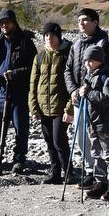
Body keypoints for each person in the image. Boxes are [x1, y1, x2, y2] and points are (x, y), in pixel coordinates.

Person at [66, 9, 109, 188]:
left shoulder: (104, 44)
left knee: (101, 140)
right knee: (82, 137)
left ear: (95, 22)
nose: (81, 23)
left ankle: (105, 179)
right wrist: (73, 89)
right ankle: (91, 171)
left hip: (97, 102)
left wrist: (91, 90)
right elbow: (68, 70)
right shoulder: (76, 45)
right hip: (79, 98)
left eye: (86, 20)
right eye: (79, 20)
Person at [0, 9, 37, 175]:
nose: (4, 26)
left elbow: (34, 68)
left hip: (19, 92)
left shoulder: (25, 41)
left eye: (7, 22)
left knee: (21, 130)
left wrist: (15, 73)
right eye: (1, 23)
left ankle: (19, 160)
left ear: (14, 23)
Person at [74, 44, 109, 200]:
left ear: (99, 61)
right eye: (86, 61)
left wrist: (89, 93)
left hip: (106, 122)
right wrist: (79, 95)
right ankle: (101, 183)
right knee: (96, 154)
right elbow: (87, 98)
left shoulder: (107, 77)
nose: (88, 63)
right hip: (93, 122)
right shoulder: (89, 76)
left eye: (91, 60)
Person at [29, 21, 71, 184]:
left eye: (52, 35)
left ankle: (68, 171)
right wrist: (33, 107)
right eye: (46, 35)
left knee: (58, 139)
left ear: (58, 36)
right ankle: (55, 172)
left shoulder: (68, 54)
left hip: (60, 106)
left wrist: (69, 107)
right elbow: (33, 83)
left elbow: (72, 81)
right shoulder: (39, 56)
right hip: (42, 106)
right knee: (49, 141)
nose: (49, 38)